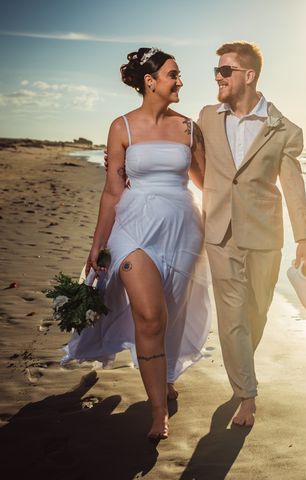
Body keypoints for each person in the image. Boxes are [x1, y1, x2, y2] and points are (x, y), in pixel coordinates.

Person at [62, 48, 212, 440]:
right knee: (149, 316)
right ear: (150, 81)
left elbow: (208, 184)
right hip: (132, 226)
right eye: (173, 75)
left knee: (170, 316)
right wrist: (97, 245)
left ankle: (163, 375)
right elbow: (112, 192)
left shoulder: (188, 128)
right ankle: (158, 410)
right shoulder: (121, 127)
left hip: (182, 229)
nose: (180, 81)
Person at [197, 41, 306, 426]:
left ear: (248, 76)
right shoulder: (207, 118)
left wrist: (305, 241)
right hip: (220, 232)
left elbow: (293, 186)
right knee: (232, 316)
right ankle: (246, 394)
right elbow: (194, 162)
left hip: (265, 236)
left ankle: (240, 368)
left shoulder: (283, 129)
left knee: (256, 313)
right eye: (216, 70)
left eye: (225, 70)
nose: (218, 76)